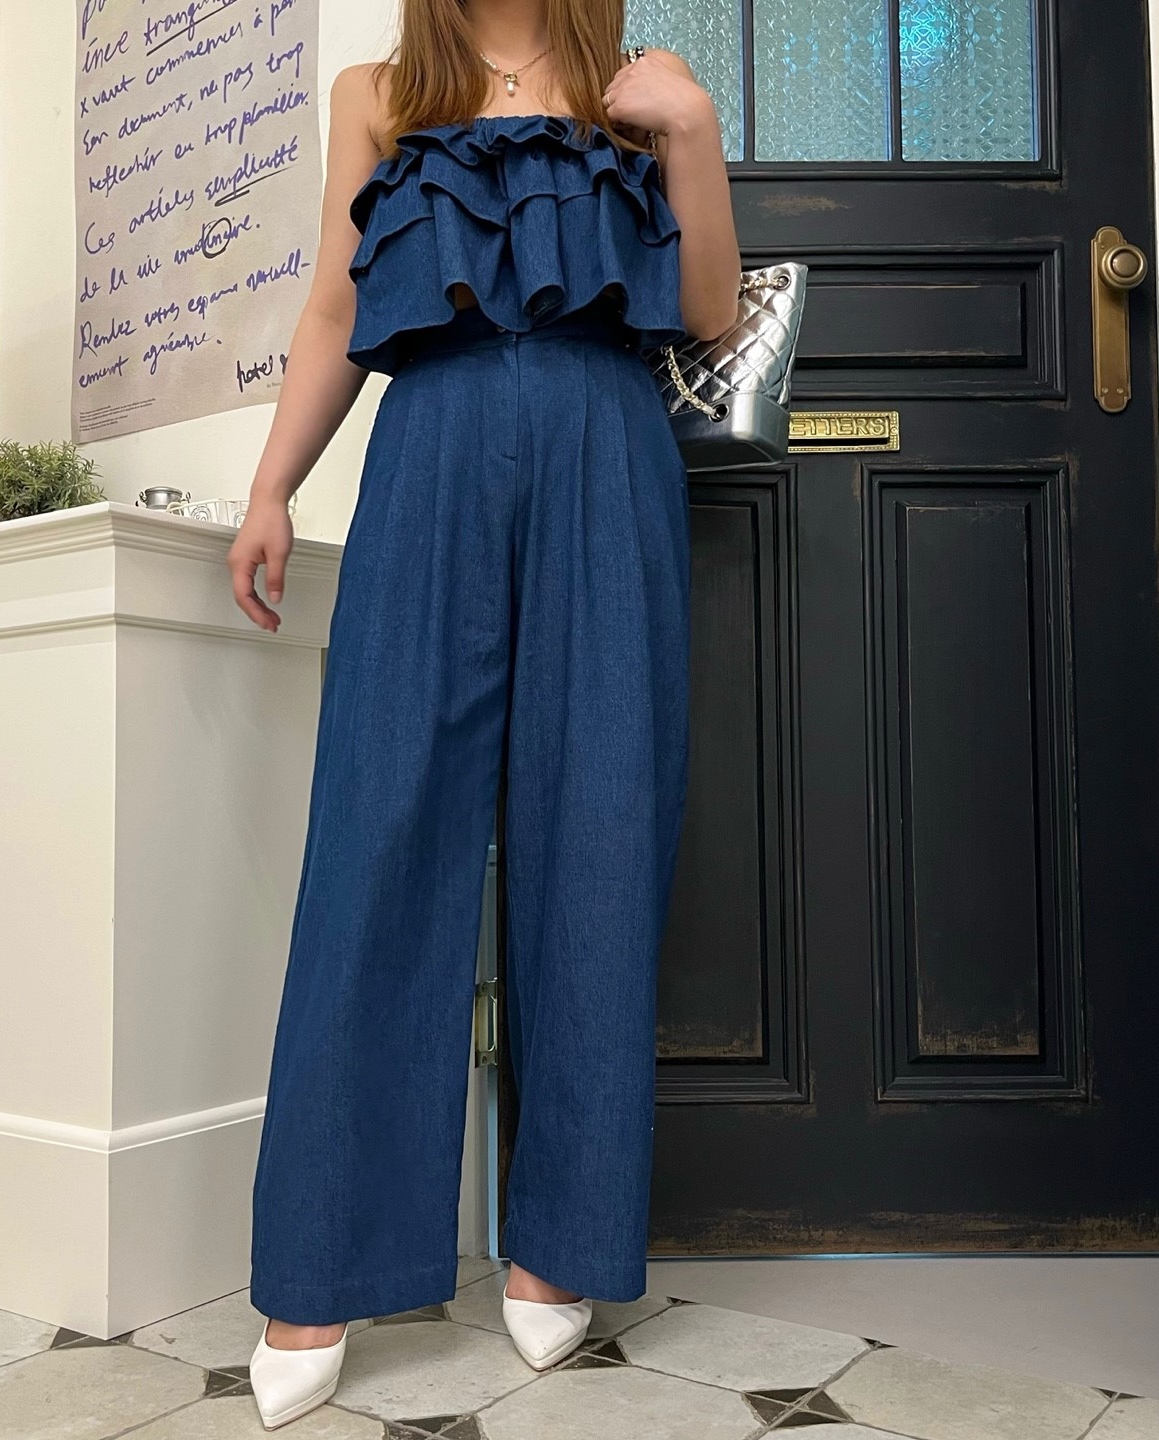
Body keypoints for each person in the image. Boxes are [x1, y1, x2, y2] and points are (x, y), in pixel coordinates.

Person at [226, 0, 738, 1425]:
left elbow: (708, 310)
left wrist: (693, 134)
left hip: (606, 446)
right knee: (378, 829)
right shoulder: (380, 92)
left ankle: (557, 1247)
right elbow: (340, 307)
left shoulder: (646, 85)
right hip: (431, 451)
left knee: (601, 825)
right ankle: (319, 1261)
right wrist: (270, 487)